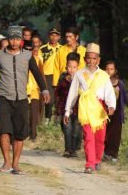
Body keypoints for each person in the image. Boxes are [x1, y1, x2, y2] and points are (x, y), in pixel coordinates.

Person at [0, 29, 50, 174]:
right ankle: (6, 162)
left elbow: (37, 74)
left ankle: (16, 164)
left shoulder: (27, 55)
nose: (14, 42)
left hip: (21, 98)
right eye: (12, 39)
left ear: (21, 40)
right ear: (8, 39)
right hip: (3, 98)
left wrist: (44, 90)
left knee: (20, 132)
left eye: (17, 39)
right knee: (3, 130)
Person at [64, 43, 116, 174]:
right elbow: (73, 93)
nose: (91, 61)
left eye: (94, 58)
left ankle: (97, 159)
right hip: (86, 107)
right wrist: (67, 111)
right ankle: (89, 164)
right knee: (88, 136)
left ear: (98, 60)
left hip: (100, 109)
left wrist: (111, 105)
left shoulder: (103, 75)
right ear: (84, 58)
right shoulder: (79, 74)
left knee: (100, 137)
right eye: (89, 58)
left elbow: (109, 92)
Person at [55, 52, 82, 157]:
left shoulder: (81, 77)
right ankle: (68, 149)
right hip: (64, 107)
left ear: (78, 67)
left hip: (78, 108)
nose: (71, 69)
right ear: (66, 66)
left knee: (77, 129)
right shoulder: (62, 77)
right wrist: (57, 108)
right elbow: (57, 92)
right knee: (67, 128)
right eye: (69, 66)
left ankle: (75, 149)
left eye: (74, 67)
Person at [103, 61, 128, 162]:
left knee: (116, 134)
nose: (109, 71)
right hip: (105, 111)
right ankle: (105, 152)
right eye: (107, 69)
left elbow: (125, 97)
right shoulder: (102, 81)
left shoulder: (120, 83)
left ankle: (113, 154)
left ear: (115, 70)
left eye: (111, 69)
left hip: (117, 113)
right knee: (105, 132)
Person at [40, 28, 61, 124]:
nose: (54, 37)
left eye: (56, 35)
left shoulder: (62, 49)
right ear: (49, 36)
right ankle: (47, 118)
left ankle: (57, 118)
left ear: (59, 37)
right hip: (47, 75)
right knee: (49, 98)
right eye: (52, 35)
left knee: (59, 97)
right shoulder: (43, 49)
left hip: (59, 75)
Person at [27, 34, 44, 140]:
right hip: (22, 89)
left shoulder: (38, 60)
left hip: (34, 89)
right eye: (27, 49)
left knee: (34, 113)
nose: (29, 51)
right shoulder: (19, 60)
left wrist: (44, 89)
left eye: (31, 49)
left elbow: (41, 75)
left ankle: (33, 135)